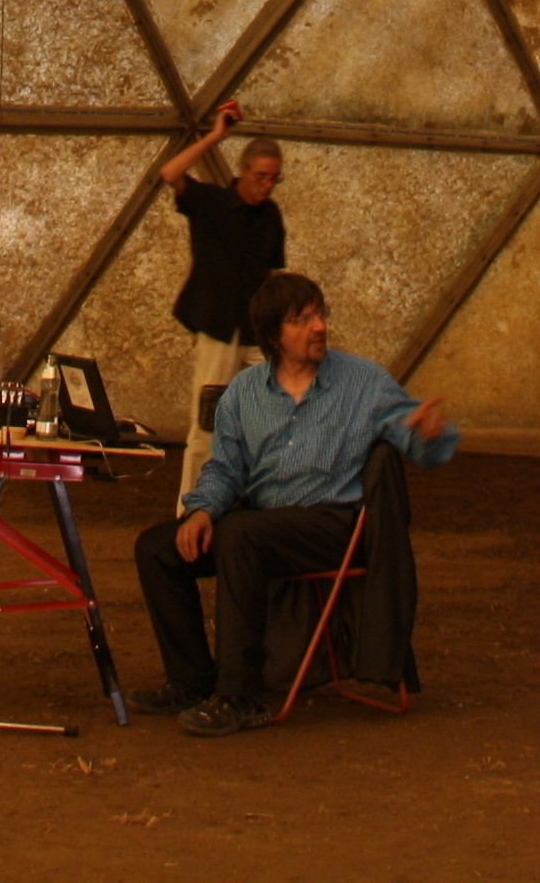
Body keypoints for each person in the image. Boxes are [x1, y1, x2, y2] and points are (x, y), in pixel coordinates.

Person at [130, 270, 453, 736]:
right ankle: (191, 681)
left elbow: (415, 436)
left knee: (242, 534)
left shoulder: (363, 382)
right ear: (273, 335)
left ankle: (240, 696)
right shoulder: (243, 393)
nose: (319, 327)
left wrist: (430, 435)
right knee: (157, 547)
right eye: (302, 320)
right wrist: (202, 511)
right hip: (265, 527)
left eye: (320, 315)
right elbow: (225, 469)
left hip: (335, 527)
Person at [158, 102, 285, 516]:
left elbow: (272, 273)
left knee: (268, 417)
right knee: (207, 424)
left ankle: (252, 507)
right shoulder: (211, 202)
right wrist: (215, 136)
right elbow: (170, 174)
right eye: (260, 176)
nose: (266, 185)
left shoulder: (271, 216)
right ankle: (190, 511)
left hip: (257, 332)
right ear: (243, 171)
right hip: (218, 328)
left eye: (273, 178)